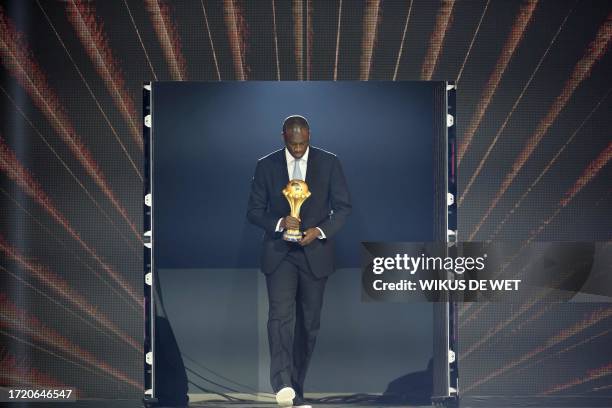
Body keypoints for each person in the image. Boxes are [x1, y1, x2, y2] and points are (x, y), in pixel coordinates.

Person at [247, 115, 351, 407]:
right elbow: (254, 211)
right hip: (280, 254)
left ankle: (296, 387)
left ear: (309, 136)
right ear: (283, 136)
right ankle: (281, 385)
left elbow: (343, 208)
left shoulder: (329, 163)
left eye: (302, 144)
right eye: (292, 144)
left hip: (315, 254)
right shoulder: (265, 165)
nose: (297, 149)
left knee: (309, 325)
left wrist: (319, 231)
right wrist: (280, 222)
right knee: (279, 318)